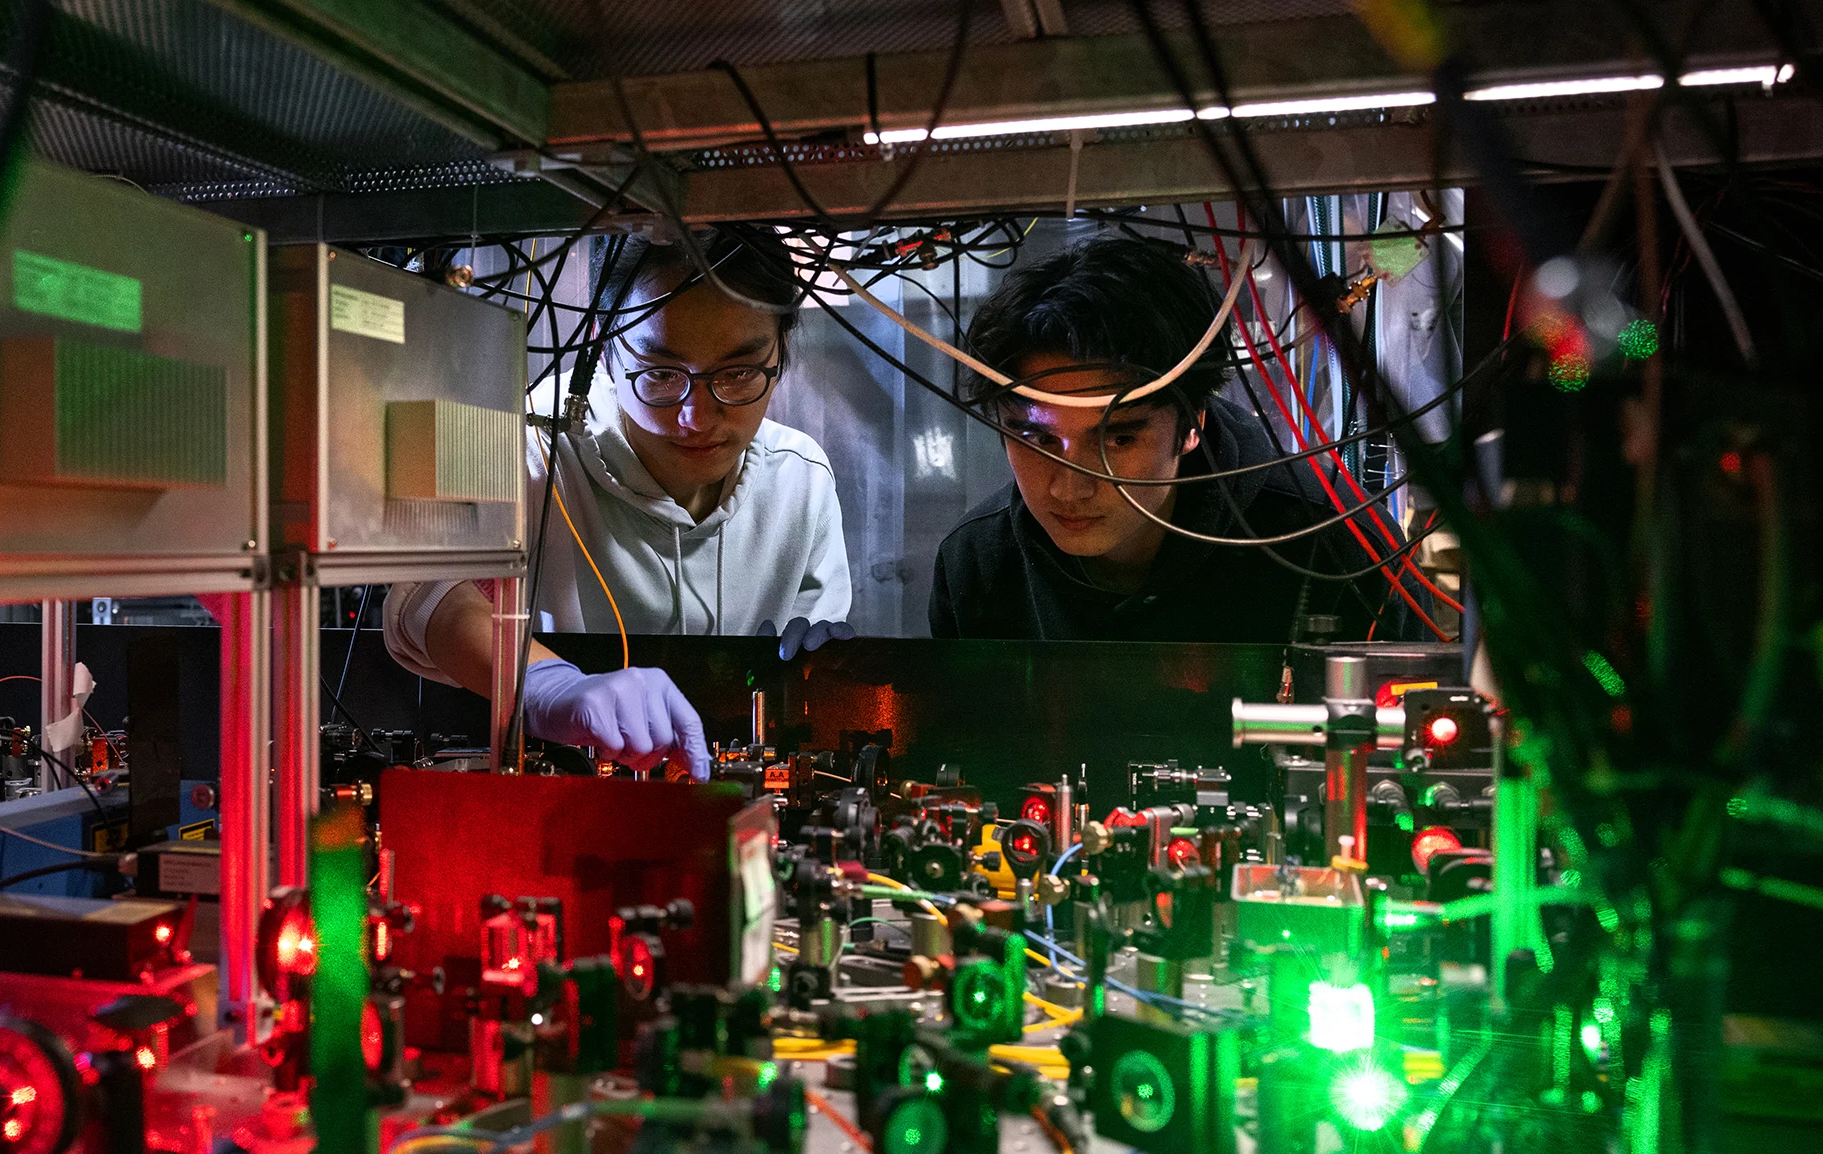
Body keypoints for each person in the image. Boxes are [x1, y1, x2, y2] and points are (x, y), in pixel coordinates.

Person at [385, 226, 854, 777]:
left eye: (739, 372)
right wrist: (546, 686)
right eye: (659, 373)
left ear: (780, 352)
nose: (696, 418)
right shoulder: (527, 445)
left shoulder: (800, 478)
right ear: (606, 351)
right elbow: (425, 595)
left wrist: (824, 669)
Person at [930, 235, 1424, 643]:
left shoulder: (1334, 546)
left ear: (1193, 425)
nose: (1067, 488)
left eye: (1117, 440)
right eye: (1034, 437)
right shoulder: (976, 564)